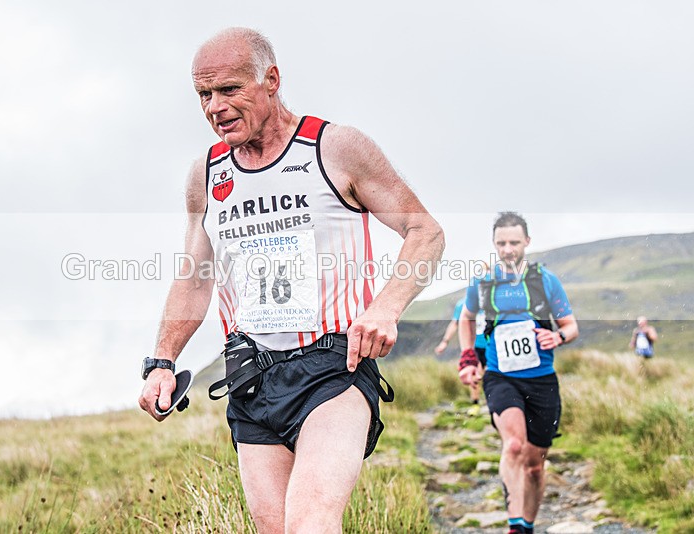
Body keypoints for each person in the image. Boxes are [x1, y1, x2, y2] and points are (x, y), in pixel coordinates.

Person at [138, 28, 445, 533]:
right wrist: (161, 361)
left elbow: (425, 232)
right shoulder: (206, 175)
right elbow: (195, 276)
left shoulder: (336, 148)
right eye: (203, 95)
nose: (215, 107)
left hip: (333, 369)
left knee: (311, 524)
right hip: (252, 376)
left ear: (272, 80)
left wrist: (386, 307)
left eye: (230, 90)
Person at [457, 212, 578, 534]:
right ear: (494, 244)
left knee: (536, 466)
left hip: (541, 379)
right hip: (501, 376)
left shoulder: (545, 280)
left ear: (527, 241)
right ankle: (514, 526)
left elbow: (571, 325)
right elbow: (466, 318)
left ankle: (527, 524)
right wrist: (468, 357)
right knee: (513, 446)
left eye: (513, 242)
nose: (507, 249)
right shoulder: (483, 282)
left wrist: (558, 337)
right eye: (501, 243)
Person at [435, 298, 486, 410]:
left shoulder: (491, 298)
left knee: (490, 375)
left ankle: (493, 404)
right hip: (474, 346)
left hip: (491, 345)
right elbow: (454, 324)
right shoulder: (462, 304)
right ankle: (476, 405)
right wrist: (445, 342)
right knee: (474, 376)